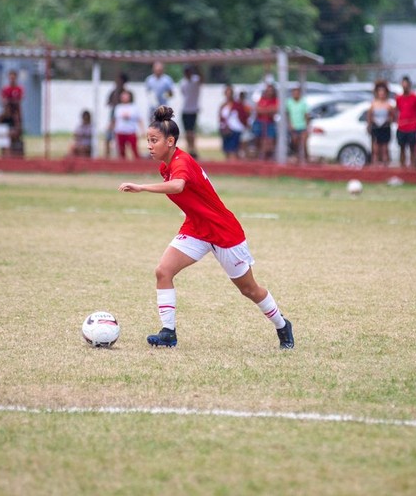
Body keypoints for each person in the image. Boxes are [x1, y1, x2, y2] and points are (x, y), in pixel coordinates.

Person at [118, 106, 294, 350]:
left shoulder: (182, 162)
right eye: (148, 140)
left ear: (170, 142)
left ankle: (282, 324)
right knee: (163, 271)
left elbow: (179, 186)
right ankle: (168, 333)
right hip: (196, 229)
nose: (149, 145)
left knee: (249, 290)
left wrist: (141, 187)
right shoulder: (165, 166)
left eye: (154, 140)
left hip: (223, 232)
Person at [395, 75, 416, 167]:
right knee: (402, 148)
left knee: (412, 148)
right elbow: (398, 110)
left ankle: (413, 167)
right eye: (403, 85)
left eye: (406, 85)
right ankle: (403, 167)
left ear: (409, 85)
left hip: (412, 127)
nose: (405, 86)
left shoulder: (415, 98)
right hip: (402, 127)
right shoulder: (398, 98)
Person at [366, 80, 394, 166]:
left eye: (383, 92)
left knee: (385, 148)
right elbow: (369, 116)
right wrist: (370, 124)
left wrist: (388, 121)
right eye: (380, 92)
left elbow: (392, 116)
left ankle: (385, 164)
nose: (381, 94)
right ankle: (375, 163)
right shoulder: (373, 104)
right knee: (375, 147)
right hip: (376, 127)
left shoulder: (388, 105)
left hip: (385, 127)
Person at [218, 85, 248, 160]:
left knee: (233, 150)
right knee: (227, 150)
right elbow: (221, 118)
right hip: (226, 130)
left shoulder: (237, 105)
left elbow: (243, 116)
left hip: (235, 130)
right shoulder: (223, 106)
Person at [112, 89, 142, 160]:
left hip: (131, 131)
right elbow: (115, 120)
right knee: (121, 150)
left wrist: (142, 130)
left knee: (134, 149)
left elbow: (139, 119)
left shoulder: (134, 107)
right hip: (120, 131)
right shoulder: (118, 107)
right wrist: (113, 129)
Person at [179, 65, 202, 157]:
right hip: (185, 109)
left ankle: (193, 148)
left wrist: (198, 66)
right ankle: (189, 148)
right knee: (187, 132)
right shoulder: (182, 82)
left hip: (193, 109)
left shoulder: (195, 80)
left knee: (192, 131)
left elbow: (202, 80)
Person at [253, 83, 279, 160]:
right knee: (259, 139)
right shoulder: (262, 99)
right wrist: (268, 110)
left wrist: (264, 110)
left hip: (270, 123)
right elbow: (257, 109)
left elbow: (275, 110)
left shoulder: (275, 100)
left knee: (270, 140)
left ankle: (268, 157)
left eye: (271, 91)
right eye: (268, 90)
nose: (269, 92)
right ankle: (260, 156)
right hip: (260, 122)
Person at [105, 73, 128, 158]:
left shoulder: (126, 93)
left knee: (120, 137)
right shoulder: (113, 92)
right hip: (113, 116)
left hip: (122, 117)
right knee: (108, 135)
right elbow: (108, 103)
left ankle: (120, 156)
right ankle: (107, 155)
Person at [286, 86, 310, 164]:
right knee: (295, 141)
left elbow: (306, 115)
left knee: (304, 142)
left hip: (302, 126)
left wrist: (307, 126)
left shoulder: (303, 103)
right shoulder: (289, 102)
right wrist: (290, 124)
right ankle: (296, 156)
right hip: (294, 126)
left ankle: (306, 158)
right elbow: (288, 114)